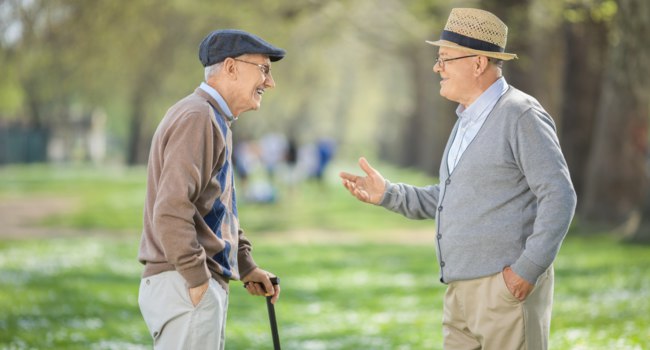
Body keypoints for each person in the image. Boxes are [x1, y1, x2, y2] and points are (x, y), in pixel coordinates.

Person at [340, 8, 576, 350]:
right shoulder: (465, 121)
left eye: (446, 58)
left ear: (478, 64)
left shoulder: (520, 114)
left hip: (505, 292)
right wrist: (388, 194)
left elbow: (560, 196)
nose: (438, 67)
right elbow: (450, 197)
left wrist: (527, 270)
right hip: (458, 296)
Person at [137, 29, 285, 349]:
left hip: (190, 282)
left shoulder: (213, 118)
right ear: (231, 68)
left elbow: (218, 207)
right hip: (184, 281)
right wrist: (198, 281)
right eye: (264, 69)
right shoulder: (198, 117)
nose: (270, 82)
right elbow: (172, 208)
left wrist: (246, 266)